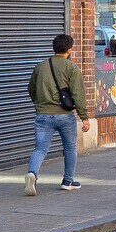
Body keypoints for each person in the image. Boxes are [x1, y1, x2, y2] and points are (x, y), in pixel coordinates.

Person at [26, 32, 90, 195]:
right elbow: (78, 94)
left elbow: (31, 89)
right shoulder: (71, 68)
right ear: (69, 49)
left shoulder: (40, 66)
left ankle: (32, 173)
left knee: (40, 149)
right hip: (65, 116)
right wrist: (84, 117)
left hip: (43, 115)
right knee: (70, 148)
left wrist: (39, 106)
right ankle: (68, 181)